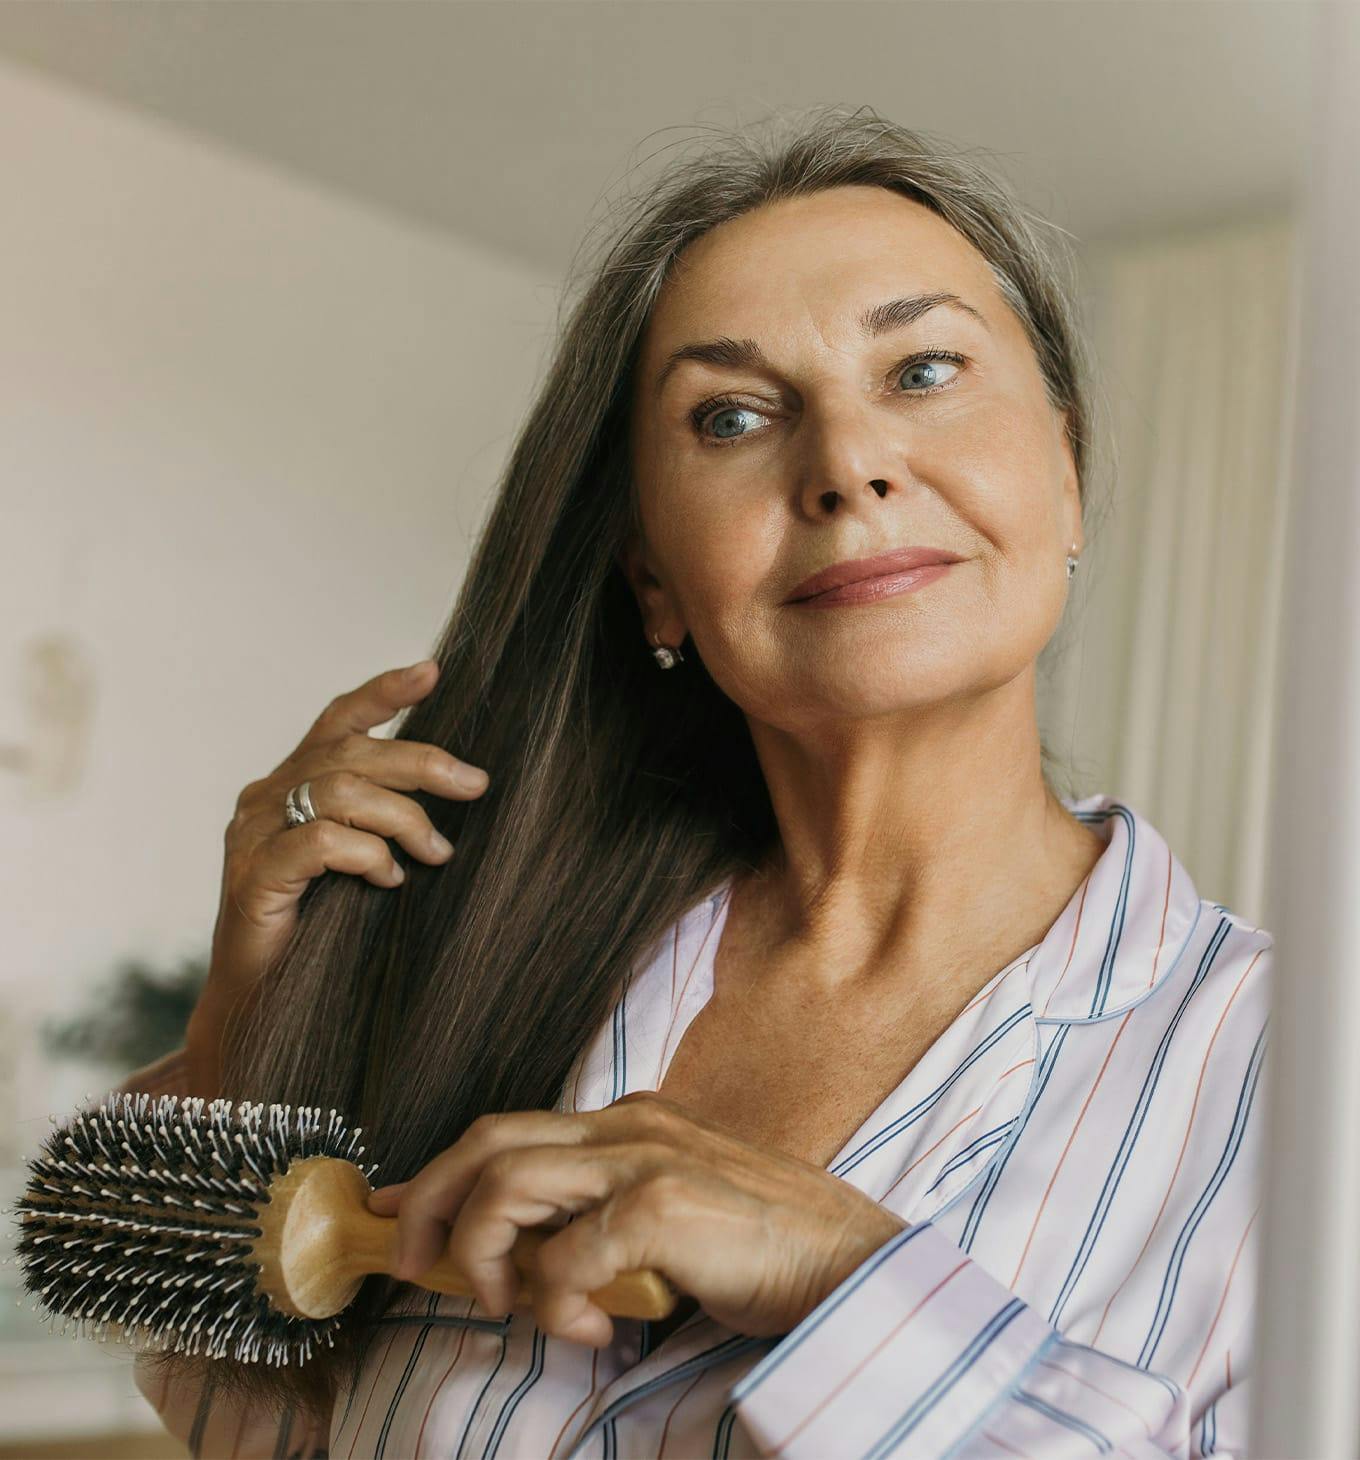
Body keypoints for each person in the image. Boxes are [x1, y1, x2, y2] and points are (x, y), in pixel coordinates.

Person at [123, 106, 1271, 1459]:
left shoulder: (1298, 1083)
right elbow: (253, 1425)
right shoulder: (489, 959)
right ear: (654, 574)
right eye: (731, 415)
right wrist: (248, 1032)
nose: (847, 464)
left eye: (922, 371)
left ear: (1066, 474)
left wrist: (846, 1279)